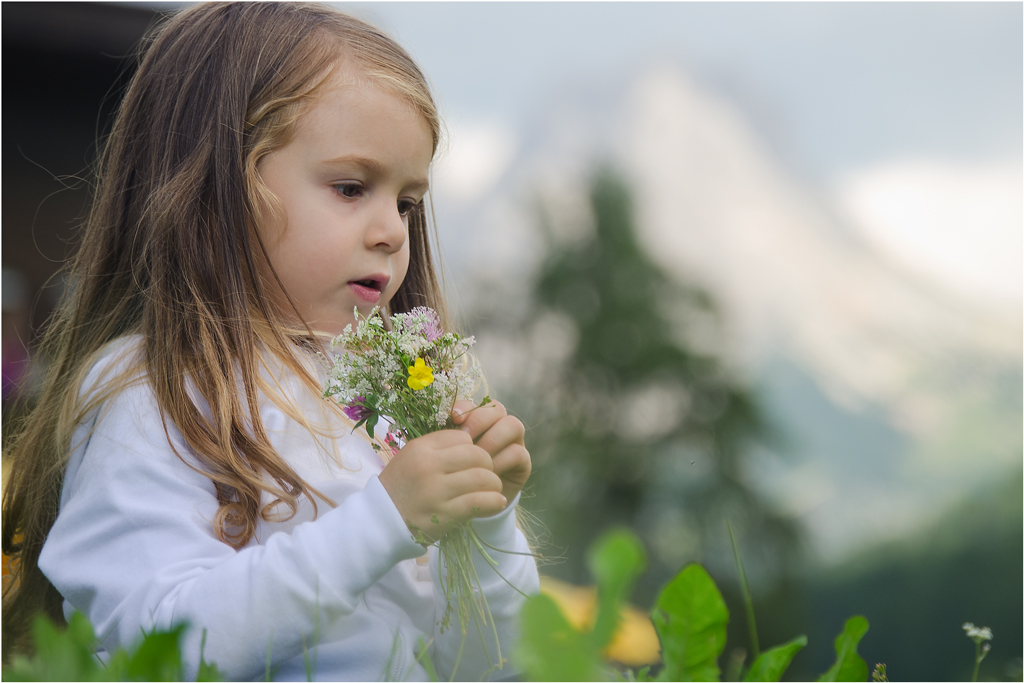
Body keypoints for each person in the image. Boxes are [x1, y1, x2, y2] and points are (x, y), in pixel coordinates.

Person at [0, 3, 538, 680]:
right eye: (350, 187)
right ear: (214, 186)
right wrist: (385, 521)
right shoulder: (151, 389)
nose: (393, 231)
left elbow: (493, 669)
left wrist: (482, 521)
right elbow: (156, 646)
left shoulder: (388, 401)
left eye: (405, 201)